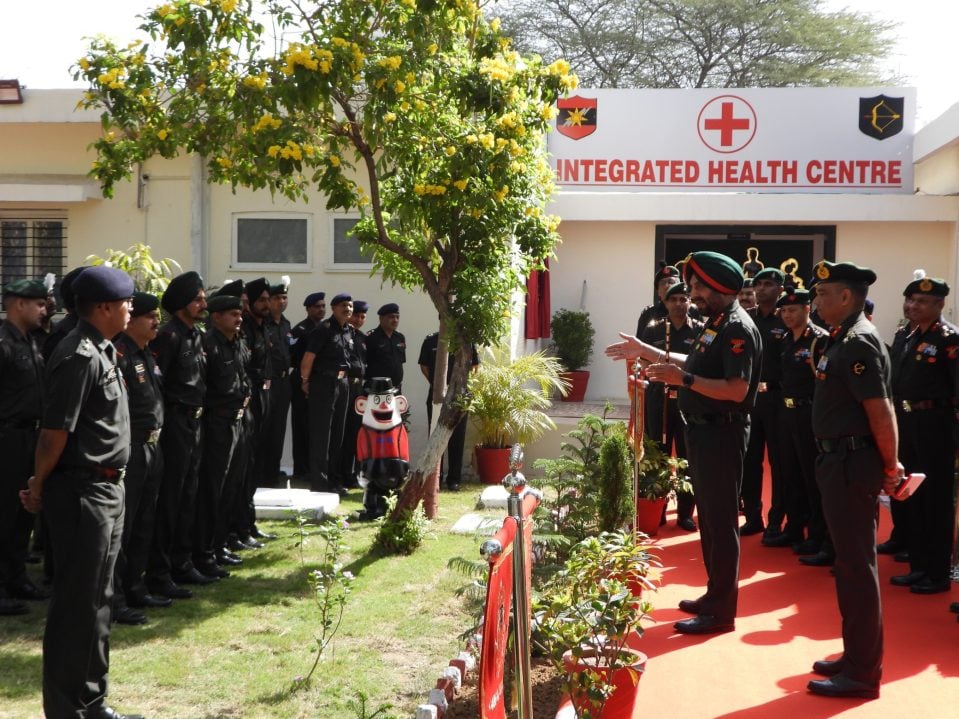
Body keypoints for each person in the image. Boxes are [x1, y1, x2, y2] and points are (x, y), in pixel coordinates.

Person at [607, 250, 760, 635]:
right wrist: (647, 351)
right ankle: (713, 594)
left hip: (722, 432)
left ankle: (721, 611)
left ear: (719, 287)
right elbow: (689, 360)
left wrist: (685, 382)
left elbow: (737, 388)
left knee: (721, 522)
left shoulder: (737, 328)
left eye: (696, 287)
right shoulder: (717, 323)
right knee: (709, 520)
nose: (690, 294)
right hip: (705, 432)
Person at [19, 265, 145, 719]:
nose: (132, 307)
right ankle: (65, 710)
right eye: (127, 301)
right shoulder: (78, 354)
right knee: (76, 605)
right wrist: (38, 484)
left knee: (98, 601)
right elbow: (54, 434)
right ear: (105, 307)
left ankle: (91, 702)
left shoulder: (104, 349)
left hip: (108, 489)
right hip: (81, 492)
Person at [805, 260, 901, 700]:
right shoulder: (840, 339)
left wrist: (891, 466)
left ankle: (864, 673)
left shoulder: (859, 342)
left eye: (823, 294)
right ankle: (855, 654)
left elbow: (880, 410)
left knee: (858, 569)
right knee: (847, 566)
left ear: (846, 297)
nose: (816, 301)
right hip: (837, 462)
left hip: (851, 464)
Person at [888, 274, 957, 595]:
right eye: (911, 300)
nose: (914, 306)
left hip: (935, 425)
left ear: (940, 304)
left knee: (936, 500)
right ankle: (918, 565)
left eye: (923, 301)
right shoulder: (905, 335)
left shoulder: (949, 340)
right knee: (910, 493)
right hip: (906, 422)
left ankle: (938, 572)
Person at [147, 271, 212, 598]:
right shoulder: (169, 336)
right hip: (174, 423)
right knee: (170, 499)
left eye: (203, 298)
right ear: (181, 303)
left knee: (188, 495)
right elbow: (159, 385)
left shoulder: (195, 335)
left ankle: (182, 562)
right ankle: (159, 571)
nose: (204, 304)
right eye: (197, 298)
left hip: (195, 422)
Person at [112, 292, 167, 625]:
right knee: (125, 526)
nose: (156, 322)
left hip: (152, 447)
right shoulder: (120, 354)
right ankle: (116, 597)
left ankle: (135, 585)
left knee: (146, 521)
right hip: (131, 448)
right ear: (132, 320)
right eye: (150, 316)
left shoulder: (146, 353)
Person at [775, 287, 834, 567]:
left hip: (809, 413)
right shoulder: (786, 339)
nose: (787, 315)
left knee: (813, 478)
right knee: (790, 475)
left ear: (807, 310)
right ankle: (795, 529)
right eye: (784, 311)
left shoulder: (819, 341)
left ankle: (818, 536)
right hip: (787, 415)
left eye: (793, 309)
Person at [0, 279, 48, 617]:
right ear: (19, 304)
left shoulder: (31, 342)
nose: (44, 310)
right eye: (38, 304)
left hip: (30, 437)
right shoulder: (2, 343)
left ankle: (16, 577)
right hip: (7, 438)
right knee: (3, 513)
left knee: (22, 512)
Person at [196, 290, 252, 578]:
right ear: (216, 317)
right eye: (233, 314)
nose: (239, 317)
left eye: (239, 313)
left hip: (238, 420)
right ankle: (205, 551)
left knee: (231, 485)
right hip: (217, 423)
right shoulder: (208, 344)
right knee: (213, 489)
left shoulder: (237, 342)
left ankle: (220, 544)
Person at [638, 282, 702, 531]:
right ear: (665, 302)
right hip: (658, 398)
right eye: (673, 299)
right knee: (658, 455)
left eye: (683, 299)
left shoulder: (699, 330)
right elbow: (642, 359)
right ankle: (658, 507)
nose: (678, 304)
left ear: (690, 302)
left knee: (688, 457)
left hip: (687, 399)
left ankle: (685, 513)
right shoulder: (653, 330)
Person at [742, 267, 789, 543]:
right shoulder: (747, 320)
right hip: (751, 397)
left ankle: (776, 521)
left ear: (780, 289)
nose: (761, 289)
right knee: (750, 460)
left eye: (768, 284)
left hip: (778, 398)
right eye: (758, 284)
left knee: (780, 462)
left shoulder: (787, 320)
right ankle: (752, 517)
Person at [300, 293, 361, 495]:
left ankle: (334, 480)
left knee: (338, 434)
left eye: (350, 306)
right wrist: (305, 381)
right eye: (343, 305)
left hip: (342, 383)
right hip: (323, 383)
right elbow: (308, 358)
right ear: (334, 308)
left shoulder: (348, 331)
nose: (348, 309)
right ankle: (320, 482)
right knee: (321, 435)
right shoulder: (323, 329)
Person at [418, 331, 480, 491]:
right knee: (435, 436)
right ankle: (435, 478)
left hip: (459, 397)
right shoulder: (431, 340)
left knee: (457, 439)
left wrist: (462, 385)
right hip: (437, 396)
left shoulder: (466, 340)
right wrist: (437, 384)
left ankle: (454, 479)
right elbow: (424, 366)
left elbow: (474, 366)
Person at [288, 291, 326, 480]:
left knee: (317, 426)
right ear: (308, 309)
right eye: (317, 306)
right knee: (301, 424)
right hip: (301, 379)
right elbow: (293, 356)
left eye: (323, 306)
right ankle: (301, 469)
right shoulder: (300, 330)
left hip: (319, 381)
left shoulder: (326, 328)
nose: (321, 309)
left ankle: (315, 468)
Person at [264, 277, 293, 487]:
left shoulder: (286, 324)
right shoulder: (263, 324)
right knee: (266, 428)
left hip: (284, 382)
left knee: (279, 429)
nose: (281, 302)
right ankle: (263, 472)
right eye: (277, 298)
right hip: (268, 382)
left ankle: (273, 470)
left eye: (284, 297)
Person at [340, 300, 369, 488]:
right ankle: (343, 472)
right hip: (347, 386)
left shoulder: (363, 337)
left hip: (360, 388)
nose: (359, 320)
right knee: (344, 432)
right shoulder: (344, 334)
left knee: (357, 431)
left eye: (362, 317)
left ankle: (355, 472)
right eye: (356, 315)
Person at [365, 303, 406, 392]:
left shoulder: (400, 337)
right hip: (376, 389)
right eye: (391, 317)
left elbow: (400, 362)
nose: (395, 320)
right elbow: (364, 363)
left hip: (396, 388)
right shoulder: (371, 337)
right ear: (381, 319)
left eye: (397, 317)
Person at [635, 262, 681, 336]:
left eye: (671, 282)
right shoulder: (649, 313)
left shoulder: (692, 310)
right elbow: (640, 344)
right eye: (663, 283)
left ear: (680, 286)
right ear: (658, 292)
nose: (667, 286)